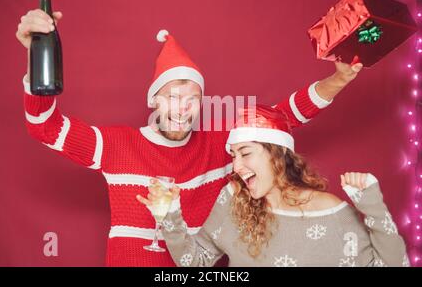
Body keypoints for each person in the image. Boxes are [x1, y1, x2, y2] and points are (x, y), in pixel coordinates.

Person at [17, 9, 363, 266]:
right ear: (153, 99)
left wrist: (338, 80)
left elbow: (282, 115)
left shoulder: (220, 144)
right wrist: (36, 58)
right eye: (171, 95)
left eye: (192, 98)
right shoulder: (115, 146)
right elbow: (45, 127)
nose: (181, 108)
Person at [139, 104, 409, 267]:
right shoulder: (233, 198)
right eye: (233, 156)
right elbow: (195, 262)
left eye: (245, 153)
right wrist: (170, 216)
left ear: (277, 154)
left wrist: (374, 208)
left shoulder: (332, 213)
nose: (236, 166)